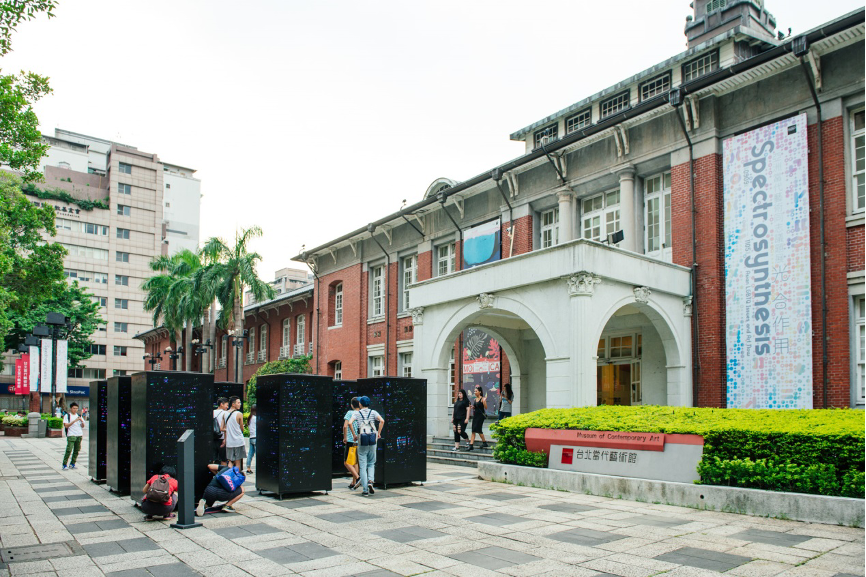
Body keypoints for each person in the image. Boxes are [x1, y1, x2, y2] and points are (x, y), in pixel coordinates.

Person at [348, 396, 384, 497]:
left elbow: (350, 423)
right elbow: (382, 421)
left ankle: (364, 490)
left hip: (362, 440)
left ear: (360, 404)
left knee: (363, 465)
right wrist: (378, 433)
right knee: (371, 463)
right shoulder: (373, 412)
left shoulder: (356, 413)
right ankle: (370, 481)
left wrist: (355, 435)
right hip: (372, 440)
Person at [223, 396, 246, 471]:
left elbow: (222, 428)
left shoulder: (225, 414)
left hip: (229, 442)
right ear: (233, 404)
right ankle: (237, 479)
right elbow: (242, 428)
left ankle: (229, 479)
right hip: (238, 441)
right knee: (238, 462)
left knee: (230, 461)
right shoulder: (239, 414)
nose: (240, 404)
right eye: (238, 403)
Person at [342, 397, 361, 489]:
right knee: (355, 462)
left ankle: (358, 478)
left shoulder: (350, 413)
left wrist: (344, 437)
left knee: (347, 462)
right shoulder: (361, 413)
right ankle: (354, 483)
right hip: (359, 441)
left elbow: (345, 426)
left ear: (352, 405)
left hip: (350, 440)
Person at [62, 403, 85, 469]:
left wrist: (81, 421)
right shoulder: (67, 416)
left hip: (79, 434)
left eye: (76, 408)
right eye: (74, 408)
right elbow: (66, 425)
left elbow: (83, 426)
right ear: (71, 408)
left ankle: (72, 463)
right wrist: (75, 421)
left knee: (77, 450)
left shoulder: (79, 416)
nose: (75, 410)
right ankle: (64, 464)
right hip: (71, 435)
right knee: (69, 450)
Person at [468, 385, 489, 451]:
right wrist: (472, 407)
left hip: (480, 416)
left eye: (476, 391)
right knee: (474, 430)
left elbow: (486, 408)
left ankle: (483, 443)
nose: (475, 392)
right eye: (474, 391)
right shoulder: (475, 399)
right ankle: (471, 445)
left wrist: (484, 401)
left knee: (478, 430)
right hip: (475, 416)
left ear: (480, 392)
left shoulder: (482, 399)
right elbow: (475, 407)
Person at [213, 397, 229, 465]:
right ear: (221, 404)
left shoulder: (212, 412)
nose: (227, 407)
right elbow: (225, 426)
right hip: (222, 438)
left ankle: (213, 474)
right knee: (224, 459)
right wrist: (225, 439)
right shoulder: (225, 413)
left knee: (213, 458)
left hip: (213, 438)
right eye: (226, 405)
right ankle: (222, 474)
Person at [246, 404, 257, 474]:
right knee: (257, 454)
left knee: (250, 454)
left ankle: (248, 468)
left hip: (251, 437)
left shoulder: (249, 418)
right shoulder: (255, 418)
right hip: (256, 437)